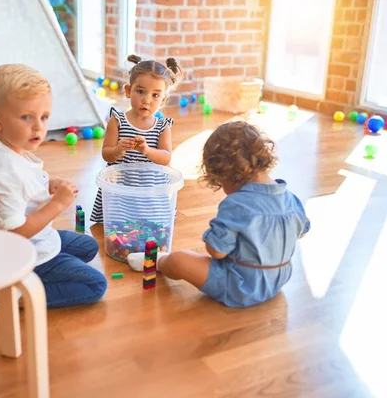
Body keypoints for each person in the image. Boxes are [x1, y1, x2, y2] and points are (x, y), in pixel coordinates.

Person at [128, 121, 310, 307]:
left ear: (228, 175)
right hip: (278, 280)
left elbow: (217, 252)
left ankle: (158, 261)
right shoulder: (291, 198)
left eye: (221, 183)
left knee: (179, 260)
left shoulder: (236, 204)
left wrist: (214, 237)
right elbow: (301, 231)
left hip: (240, 285)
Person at [0, 64, 107, 308]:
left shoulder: (14, 149)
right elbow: (15, 233)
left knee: (88, 246)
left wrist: (50, 186)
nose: (39, 127)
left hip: (38, 239)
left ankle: (42, 274)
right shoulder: (5, 172)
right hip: (20, 254)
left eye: (44, 117)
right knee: (95, 285)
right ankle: (13, 296)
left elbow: (28, 187)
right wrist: (57, 204)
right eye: (27, 117)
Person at [90, 54, 183, 223]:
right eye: (140, 91)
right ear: (128, 90)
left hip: (150, 194)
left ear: (163, 100)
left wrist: (147, 150)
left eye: (155, 95)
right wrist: (118, 150)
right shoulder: (117, 120)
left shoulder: (162, 126)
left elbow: (166, 158)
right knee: (119, 226)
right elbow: (106, 154)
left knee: (149, 226)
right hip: (120, 192)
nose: (146, 100)